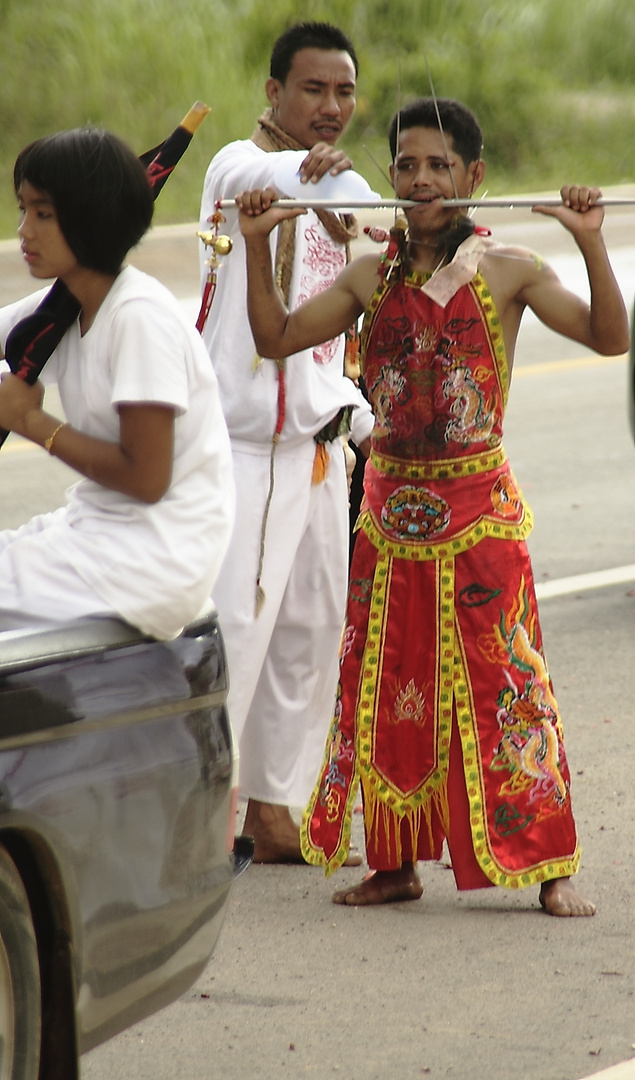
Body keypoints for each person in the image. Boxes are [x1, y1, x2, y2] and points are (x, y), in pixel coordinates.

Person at [235, 97, 630, 914]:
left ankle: (548, 865)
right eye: (407, 166)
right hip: (386, 518)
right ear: (389, 175)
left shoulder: (509, 269)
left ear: (473, 178)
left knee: (507, 687)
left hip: (479, 517)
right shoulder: (366, 273)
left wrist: (588, 243)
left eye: (440, 166)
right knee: (387, 689)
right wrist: (256, 244)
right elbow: (275, 338)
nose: (421, 181)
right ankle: (395, 863)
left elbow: (607, 336)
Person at [198, 21, 373, 862]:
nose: (330, 108)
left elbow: (371, 228)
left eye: (343, 92)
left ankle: (275, 806)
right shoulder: (237, 169)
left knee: (309, 636)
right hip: (242, 455)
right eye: (313, 90)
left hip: (316, 452)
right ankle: (197, 819)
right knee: (235, 636)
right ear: (273, 94)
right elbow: (256, 173)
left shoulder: (341, 188)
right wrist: (306, 174)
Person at [0, 127, 234, 640]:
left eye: (43, 213)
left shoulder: (138, 316)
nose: (25, 230)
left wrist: (29, 421)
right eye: (24, 210)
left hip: (149, 560)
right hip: (99, 530)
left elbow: (147, 478)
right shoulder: (68, 304)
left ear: (90, 218)